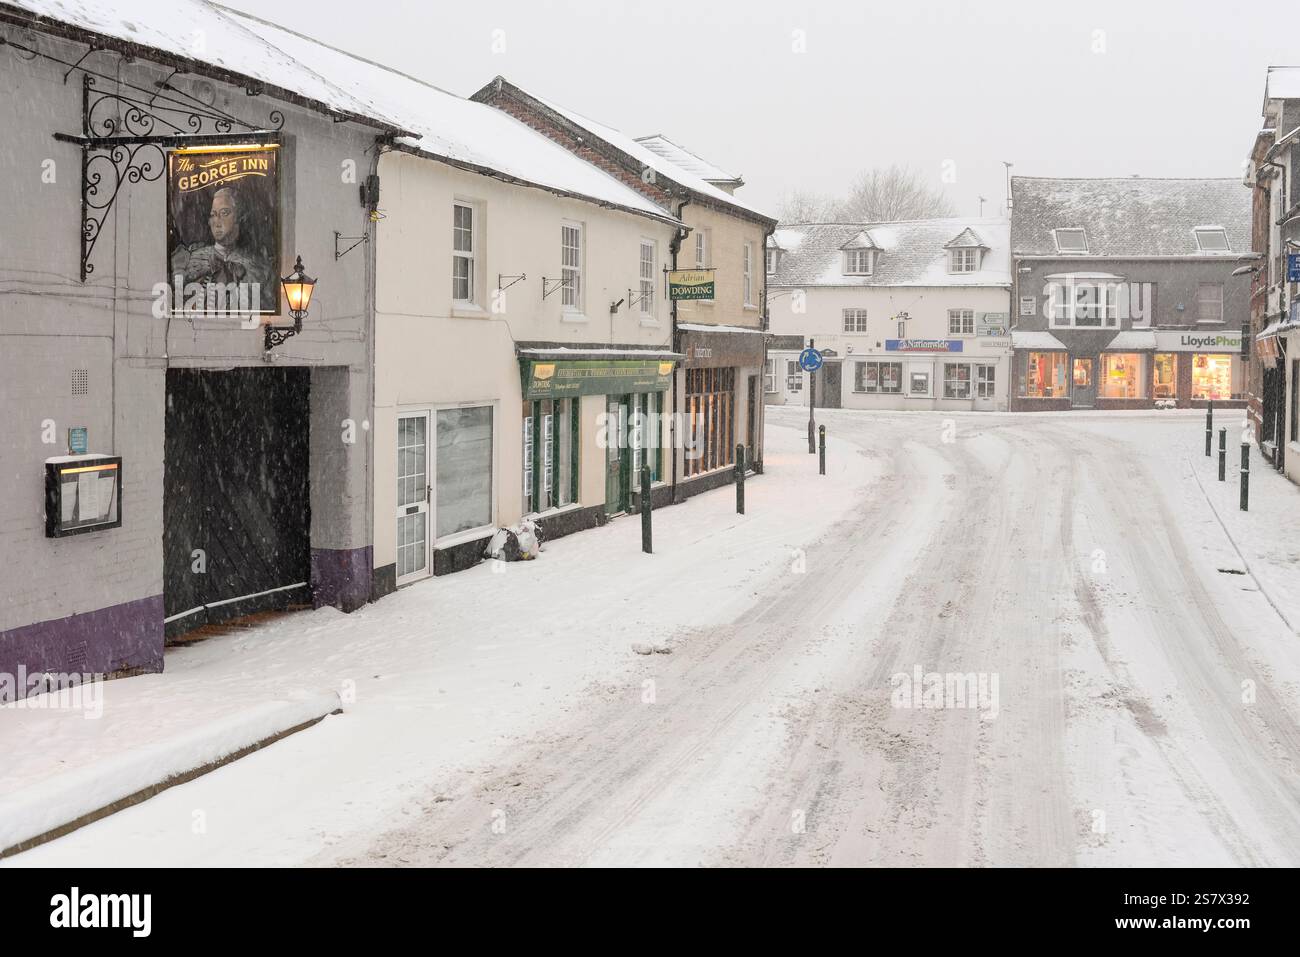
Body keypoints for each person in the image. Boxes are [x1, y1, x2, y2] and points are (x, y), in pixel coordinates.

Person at [171, 186, 275, 313]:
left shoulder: (260, 268)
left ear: (240, 216)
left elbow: (265, 310)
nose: (217, 221)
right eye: (213, 215)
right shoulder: (187, 259)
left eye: (224, 213)